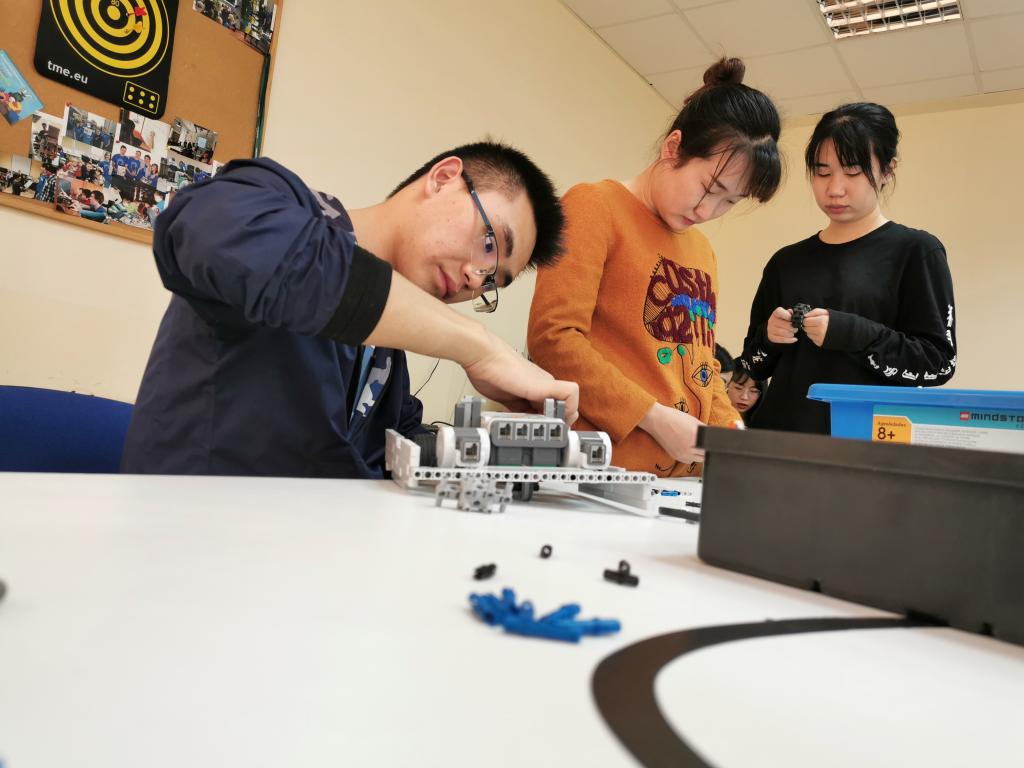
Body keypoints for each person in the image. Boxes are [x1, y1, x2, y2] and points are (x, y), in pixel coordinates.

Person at [121, 141, 574, 478]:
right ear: (443, 178)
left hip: (301, 557)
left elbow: (400, 442)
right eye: (489, 243)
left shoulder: (387, 356)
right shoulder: (279, 203)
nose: (476, 279)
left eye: (493, 281)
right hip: (188, 543)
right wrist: (480, 348)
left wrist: (500, 445)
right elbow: (211, 233)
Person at [527, 58, 782, 476]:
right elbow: (553, 339)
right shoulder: (595, 206)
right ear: (673, 147)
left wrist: (733, 434)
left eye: (729, 202)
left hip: (679, 483)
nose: (708, 211)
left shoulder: (702, 251)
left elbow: (702, 365)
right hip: (599, 471)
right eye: (709, 188)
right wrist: (654, 418)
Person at [741, 102, 956, 434]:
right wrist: (770, 338)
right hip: (781, 440)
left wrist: (853, 333)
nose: (834, 189)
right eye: (822, 172)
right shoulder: (786, 261)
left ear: (887, 170)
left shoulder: (917, 251)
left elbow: (938, 364)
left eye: (853, 172)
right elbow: (752, 364)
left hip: (867, 444)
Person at [725, 361, 763, 426]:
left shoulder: (764, 425)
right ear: (726, 385)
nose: (744, 397)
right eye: (738, 388)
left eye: (753, 391)